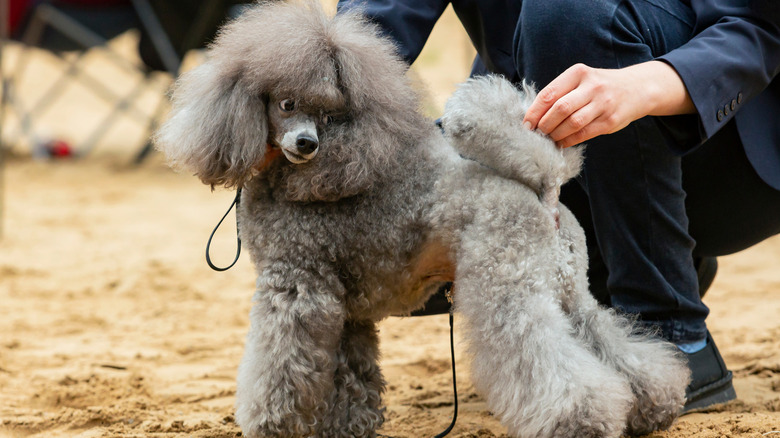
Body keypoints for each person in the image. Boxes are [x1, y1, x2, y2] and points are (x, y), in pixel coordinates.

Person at [336, 0, 780, 411]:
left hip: (723, 151)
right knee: (351, 237)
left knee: (566, 12)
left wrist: (640, 85)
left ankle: (669, 324)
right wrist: (311, 100)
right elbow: (377, 18)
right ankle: (614, 271)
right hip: (548, 135)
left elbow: (756, 26)